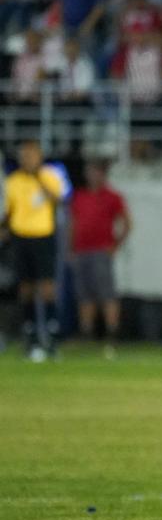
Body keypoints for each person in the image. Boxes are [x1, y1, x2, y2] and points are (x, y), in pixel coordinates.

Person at [1, 140, 69, 361]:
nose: (27, 159)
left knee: (48, 287)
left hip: (43, 236)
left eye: (31, 155)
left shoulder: (50, 176)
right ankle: (30, 336)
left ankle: (51, 336)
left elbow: (59, 200)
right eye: (24, 155)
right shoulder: (13, 181)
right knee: (26, 288)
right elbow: (9, 212)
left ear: (39, 156)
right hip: (21, 238)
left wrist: (39, 178)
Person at [67, 160, 130, 356]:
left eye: (95, 172)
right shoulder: (79, 196)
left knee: (106, 294)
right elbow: (73, 223)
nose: (92, 176)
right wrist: (70, 248)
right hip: (81, 251)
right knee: (85, 295)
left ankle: (112, 333)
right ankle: (87, 333)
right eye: (89, 172)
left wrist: (115, 246)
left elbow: (127, 223)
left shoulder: (112, 197)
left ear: (103, 174)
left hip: (101, 251)